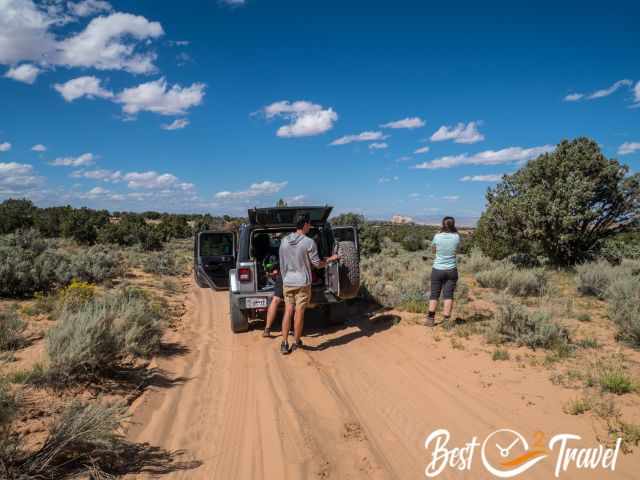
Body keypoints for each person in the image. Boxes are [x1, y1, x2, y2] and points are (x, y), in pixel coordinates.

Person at [279, 214, 339, 354]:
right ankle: (297, 341)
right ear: (305, 224)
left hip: (287, 281)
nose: (310, 226)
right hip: (302, 283)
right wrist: (331, 259)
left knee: (288, 311)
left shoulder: (283, 241)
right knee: (299, 311)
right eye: (309, 224)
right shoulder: (309, 242)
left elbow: (282, 264)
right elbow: (317, 264)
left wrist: (285, 277)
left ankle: (284, 343)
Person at [426, 216, 460, 327]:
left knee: (434, 294)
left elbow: (433, 250)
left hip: (437, 269)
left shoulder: (437, 236)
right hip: (451, 269)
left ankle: (430, 319)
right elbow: (457, 251)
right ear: (453, 224)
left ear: (443, 224)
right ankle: (446, 321)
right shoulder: (456, 237)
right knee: (448, 295)